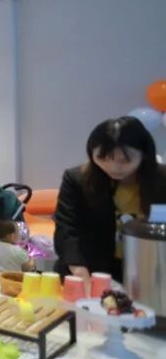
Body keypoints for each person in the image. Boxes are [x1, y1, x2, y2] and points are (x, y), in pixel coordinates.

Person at [54, 116, 166, 281]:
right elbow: (67, 227)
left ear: (144, 154)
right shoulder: (77, 180)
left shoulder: (162, 181)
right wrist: (78, 270)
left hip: (150, 269)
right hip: (91, 268)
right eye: (103, 158)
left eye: (125, 160)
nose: (114, 167)